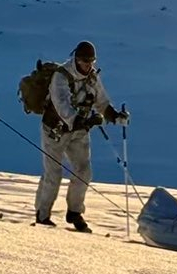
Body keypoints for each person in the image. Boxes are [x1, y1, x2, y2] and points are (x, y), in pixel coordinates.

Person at [35, 41, 127, 232]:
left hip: (79, 131)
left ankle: (75, 212)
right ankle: (42, 215)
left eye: (91, 61)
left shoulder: (92, 77)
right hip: (55, 131)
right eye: (85, 61)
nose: (88, 65)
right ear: (76, 59)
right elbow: (62, 105)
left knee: (84, 171)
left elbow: (101, 101)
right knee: (53, 174)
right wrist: (80, 120)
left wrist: (114, 115)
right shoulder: (61, 76)